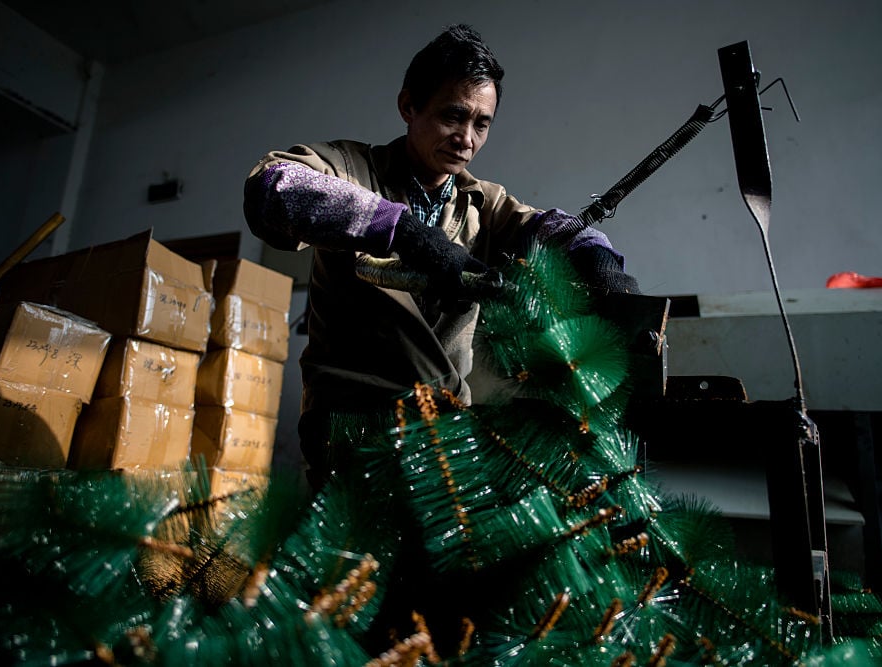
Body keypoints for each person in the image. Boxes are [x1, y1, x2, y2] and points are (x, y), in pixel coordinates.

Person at [244, 24, 639, 491]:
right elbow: (272, 187)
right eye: (454, 116)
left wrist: (595, 256)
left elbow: (548, 226)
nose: (466, 138)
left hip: (445, 433)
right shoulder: (352, 168)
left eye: (482, 123)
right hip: (351, 432)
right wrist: (403, 232)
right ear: (408, 106)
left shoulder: (483, 203)